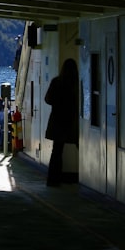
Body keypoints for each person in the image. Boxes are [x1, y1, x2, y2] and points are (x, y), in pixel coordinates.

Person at [44, 58, 79, 186]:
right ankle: (89, 177)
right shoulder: (77, 83)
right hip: (74, 121)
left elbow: (47, 99)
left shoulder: (57, 82)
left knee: (57, 151)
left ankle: (53, 180)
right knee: (82, 147)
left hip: (57, 121)